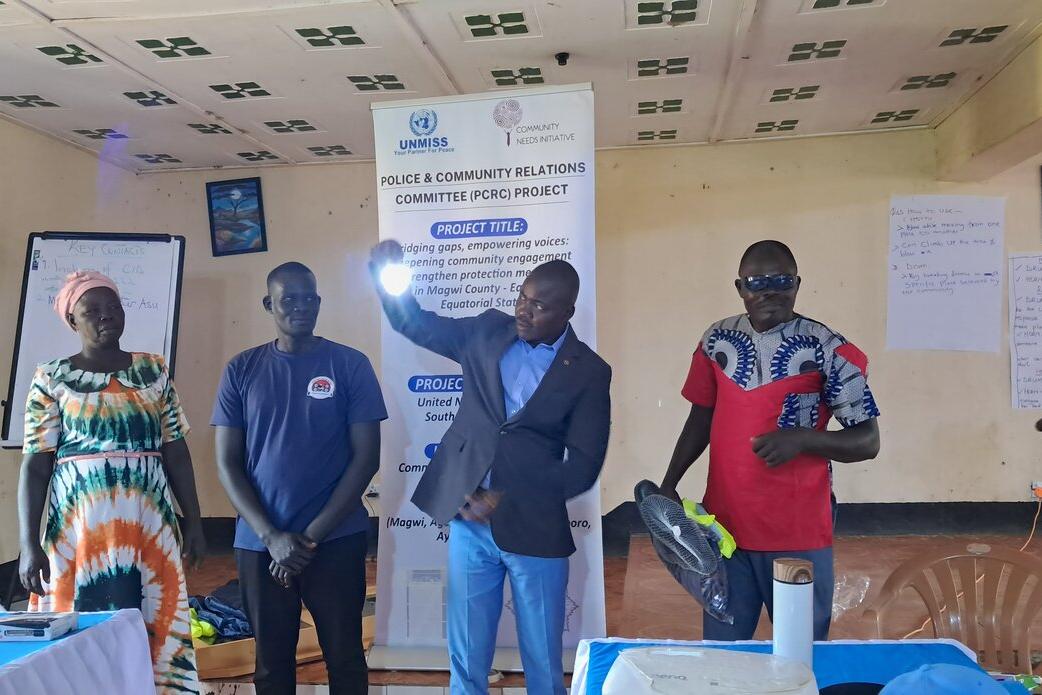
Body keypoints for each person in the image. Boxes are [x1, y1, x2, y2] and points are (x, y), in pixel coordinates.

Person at [369, 240, 611, 695]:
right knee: (466, 657)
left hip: (535, 531)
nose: (524, 309)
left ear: (567, 312)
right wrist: (388, 281)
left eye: (539, 305)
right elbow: (414, 324)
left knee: (542, 660)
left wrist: (506, 496)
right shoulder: (485, 331)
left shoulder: (589, 372)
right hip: (468, 523)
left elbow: (583, 465)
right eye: (522, 297)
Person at [659, 240, 880, 641]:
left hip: (797, 534)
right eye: (756, 282)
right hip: (725, 532)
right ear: (740, 287)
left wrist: (803, 440)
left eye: (781, 281)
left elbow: (867, 441)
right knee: (724, 653)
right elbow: (700, 417)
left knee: (800, 652)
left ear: (797, 284)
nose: (769, 291)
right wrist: (669, 483)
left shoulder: (828, 348)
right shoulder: (717, 341)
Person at [18, 270, 206, 694]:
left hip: (149, 523)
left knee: (150, 616)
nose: (106, 317)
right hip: (79, 530)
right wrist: (29, 543)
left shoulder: (153, 370)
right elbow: (35, 466)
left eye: (113, 308)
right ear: (73, 321)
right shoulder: (51, 377)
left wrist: (193, 520)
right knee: (86, 621)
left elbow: (175, 449)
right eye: (93, 311)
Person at [212, 262, 386, 695]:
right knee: (271, 666)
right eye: (289, 298)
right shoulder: (242, 369)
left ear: (320, 302)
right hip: (259, 544)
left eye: (309, 297)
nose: (301, 306)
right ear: (270, 304)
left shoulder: (349, 364)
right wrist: (272, 537)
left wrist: (306, 540)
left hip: (335, 539)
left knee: (345, 658)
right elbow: (227, 463)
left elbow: (366, 460)